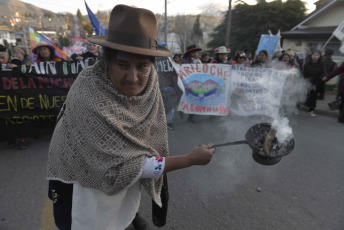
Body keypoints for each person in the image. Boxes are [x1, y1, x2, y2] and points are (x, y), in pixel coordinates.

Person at [46, 5, 216, 230]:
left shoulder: (151, 84)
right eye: (122, 65)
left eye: (142, 66)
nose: (133, 77)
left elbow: (143, 146)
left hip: (119, 193)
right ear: (107, 62)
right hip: (80, 186)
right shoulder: (89, 91)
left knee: (118, 217)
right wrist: (189, 160)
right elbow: (122, 168)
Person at [303, 51, 325, 117]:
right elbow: (304, 72)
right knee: (304, 95)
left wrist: (322, 78)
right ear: (311, 56)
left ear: (319, 56)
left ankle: (311, 110)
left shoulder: (321, 64)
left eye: (317, 55)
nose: (315, 56)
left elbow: (323, 73)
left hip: (316, 82)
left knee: (313, 97)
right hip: (307, 81)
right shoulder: (307, 64)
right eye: (314, 55)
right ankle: (297, 107)